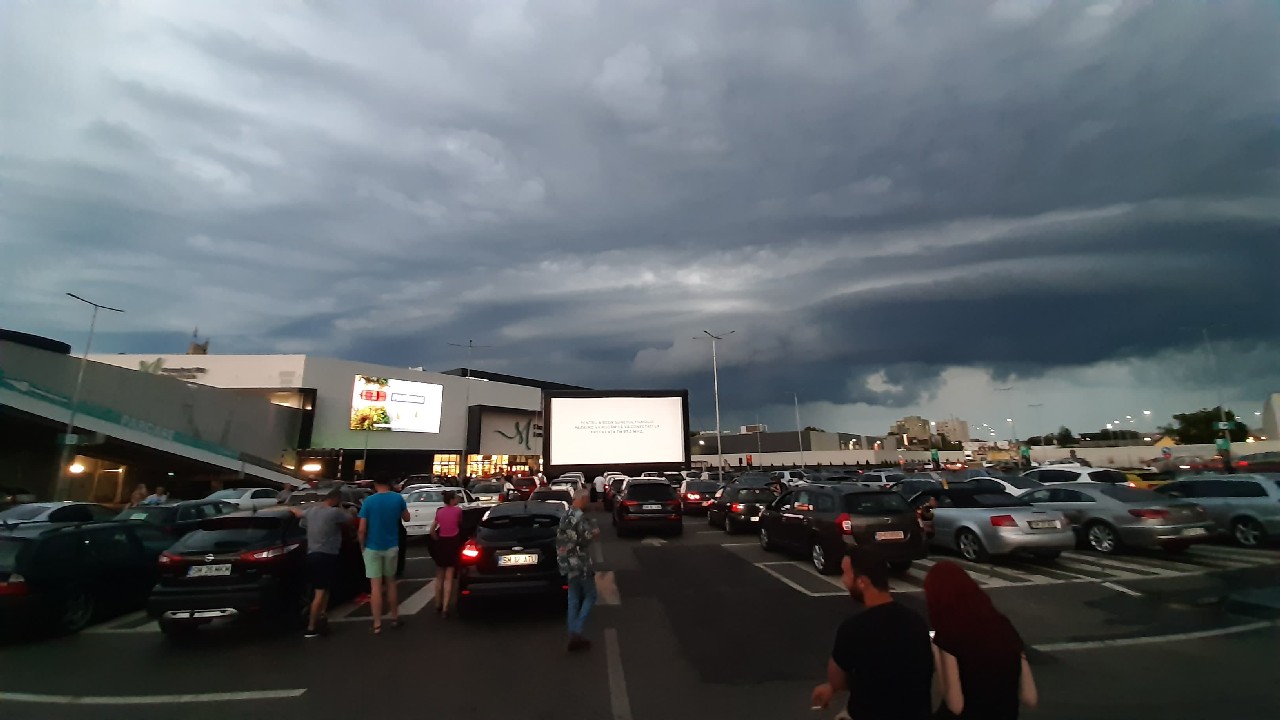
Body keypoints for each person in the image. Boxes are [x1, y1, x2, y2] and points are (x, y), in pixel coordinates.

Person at [811, 549, 934, 720]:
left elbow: (837, 679)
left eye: (846, 574)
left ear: (862, 582)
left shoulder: (853, 629)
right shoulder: (916, 621)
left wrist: (832, 687)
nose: (843, 581)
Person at [925, 561, 1038, 719]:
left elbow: (955, 705)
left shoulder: (949, 634)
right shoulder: (1003, 627)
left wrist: (937, 654)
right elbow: (1029, 697)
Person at [290, 488, 352, 638]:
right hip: (327, 555)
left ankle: (322, 617)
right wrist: (342, 507)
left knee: (322, 589)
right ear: (336, 500)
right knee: (320, 591)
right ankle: (311, 627)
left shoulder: (311, 511)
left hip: (311, 554)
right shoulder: (335, 513)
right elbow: (350, 518)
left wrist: (289, 508)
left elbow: (298, 513)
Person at [357, 477, 409, 634]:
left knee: (375, 587)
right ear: (390, 483)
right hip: (391, 546)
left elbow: (361, 529)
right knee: (391, 583)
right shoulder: (397, 498)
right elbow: (407, 518)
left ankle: (377, 624)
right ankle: (394, 617)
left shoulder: (369, 501)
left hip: (372, 547)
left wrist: (362, 547)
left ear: (375, 485)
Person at [556, 489, 600, 651]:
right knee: (591, 595)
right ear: (582, 499)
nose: (587, 503)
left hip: (566, 563)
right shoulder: (579, 517)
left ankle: (573, 632)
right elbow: (584, 539)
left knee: (573, 599)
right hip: (580, 563)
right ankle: (577, 631)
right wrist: (594, 533)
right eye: (587, 500)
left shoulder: (565, 515)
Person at [429, 491, 465, 618]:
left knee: (439, 575)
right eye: (456, 498)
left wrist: (437, 540)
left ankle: (437, 604)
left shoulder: (439, 512)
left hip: (442, 543)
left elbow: (432, 530)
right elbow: (460, 524)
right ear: (452, 500)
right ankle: (445, 608)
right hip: (453, 543)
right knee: (449, 576)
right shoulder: (458, 511)